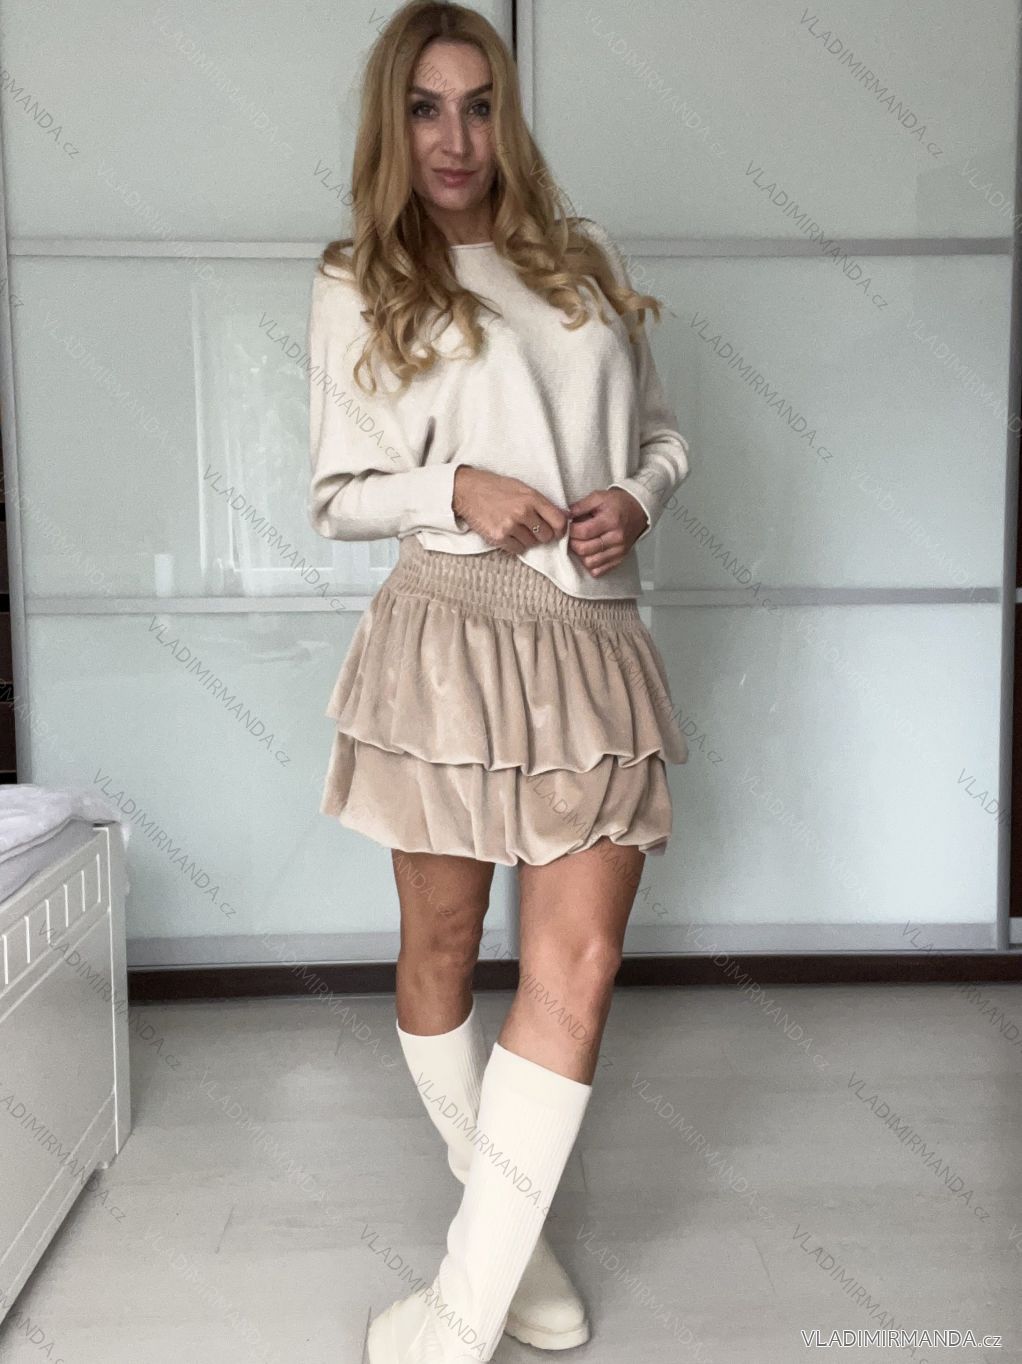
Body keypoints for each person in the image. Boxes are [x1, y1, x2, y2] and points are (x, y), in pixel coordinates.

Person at [306, 4, 691, 1359]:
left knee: (580, 961)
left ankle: (458, 1313)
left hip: (593, 647)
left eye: (477, 105)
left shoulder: (581, 257)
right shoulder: (358, 277)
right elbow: (338, 493)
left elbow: (660, 435)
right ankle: (508, 1241)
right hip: (448, 638)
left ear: (506, 116)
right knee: (444, 945)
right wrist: (455, 485)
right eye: (425, 107)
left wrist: (636, 498)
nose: (454, 137)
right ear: (392, 122)